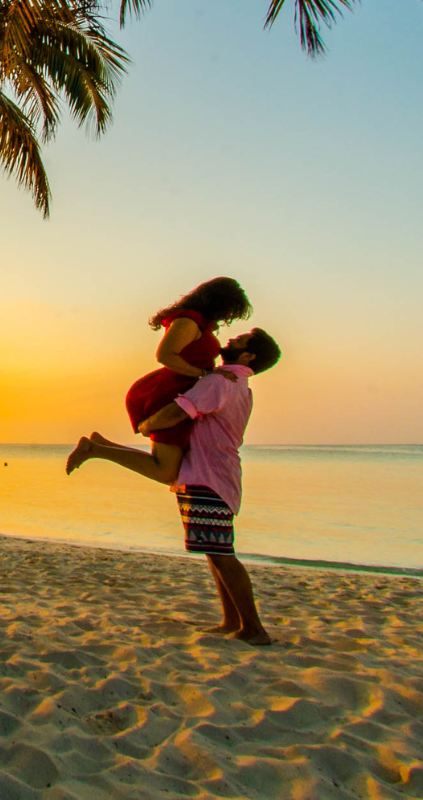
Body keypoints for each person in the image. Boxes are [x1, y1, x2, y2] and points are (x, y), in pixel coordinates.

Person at [69, 328, 282, 645]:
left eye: (242, 340)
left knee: (222, 554)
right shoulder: (238, 385)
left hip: (207, 477)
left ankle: (254, 628)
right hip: (213, 475)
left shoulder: (220, 382)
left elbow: (175, 412)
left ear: (249, 355)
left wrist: (146, 425)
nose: (233, 339)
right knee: (215, 551)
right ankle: (232, 620)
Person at [66, 276, 252, 482]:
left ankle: (99, 445)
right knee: (165, 471)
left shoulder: (199, 324)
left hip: (185, 392)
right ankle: (94, 449)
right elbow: (164, 356)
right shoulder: (187, 322)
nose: (227, 316)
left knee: (167, 465)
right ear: (217, 302)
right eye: (229, 310)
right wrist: (204, 374)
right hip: (171, 393)